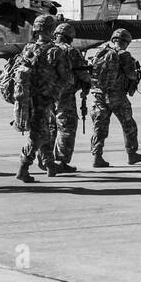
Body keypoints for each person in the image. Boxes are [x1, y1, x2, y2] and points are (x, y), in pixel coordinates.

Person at [15, 14, 72, 182]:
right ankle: (23, 167)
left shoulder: (28, 49)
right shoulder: (55, 51)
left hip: (27, 98)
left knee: (44, 130)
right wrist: (55, 93)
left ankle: (49, 164)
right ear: (51, 30)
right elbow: (67, 78)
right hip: (44, 98)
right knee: (37, 134)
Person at [86, 29, 141, 167]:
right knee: (129, 125)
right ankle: (132, 154)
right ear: (126, 42)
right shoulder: (124, 54)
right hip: (117, 96)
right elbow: (131, 75)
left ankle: (97, 157)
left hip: (98, 95)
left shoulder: (101, 51)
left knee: (99, 127)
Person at [50, 22, 91, 173]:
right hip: (65, 95)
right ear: (70, 37)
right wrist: (88, 82)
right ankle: (60, 162)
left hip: (46, 96)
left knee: (50, 127)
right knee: (66, 127)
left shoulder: (46, 48)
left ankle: (47, 161)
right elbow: (82, 73)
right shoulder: (70, 51)